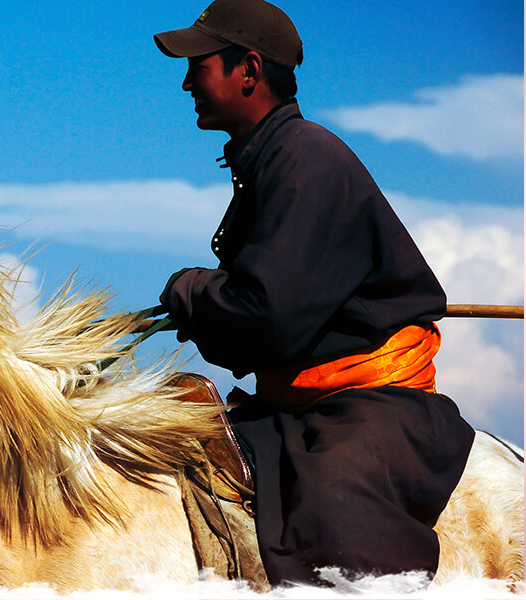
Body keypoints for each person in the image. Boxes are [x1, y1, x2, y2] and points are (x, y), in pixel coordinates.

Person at [151, 0, 475, 586]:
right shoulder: (271, 158)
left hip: (374, 403)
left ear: (248, 70)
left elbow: (267, 316)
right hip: (300, 400)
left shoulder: (305, 159)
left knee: (334, 521)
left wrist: (192, 291)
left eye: (199, 64)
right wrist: (201, 296)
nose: (185, 81)